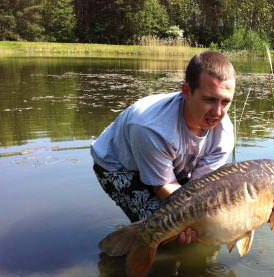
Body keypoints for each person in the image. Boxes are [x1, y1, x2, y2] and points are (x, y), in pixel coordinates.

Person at [91, 51, 236, 245]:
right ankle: (125, 249)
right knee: (160, 229)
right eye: (209, 100)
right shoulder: (151, 127)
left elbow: (200, 190)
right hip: (118, 165)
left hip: (171, 159)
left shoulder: (224, 134)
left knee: (198, 225)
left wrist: (206, 219)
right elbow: (163, 187)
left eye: (225, 101)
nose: (218, 112)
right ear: (186, 91)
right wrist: (190, 217)